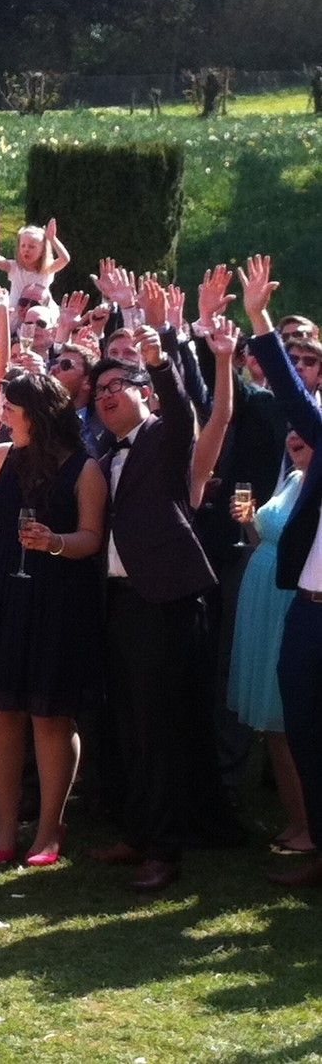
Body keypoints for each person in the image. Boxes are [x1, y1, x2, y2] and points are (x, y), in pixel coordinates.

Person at [0, 371, 106, 866]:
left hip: (58, 596)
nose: (4, 413)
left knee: (51, 715)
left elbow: (92, 538)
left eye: (11, 407)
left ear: (39, 411)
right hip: (1, 589)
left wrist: (54, 542)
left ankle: (50, 827)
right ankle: (6, 823)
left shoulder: (84, 468)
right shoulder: (4, 456)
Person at [85, 324, 220, 893]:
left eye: (119, 383)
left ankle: (165, 851)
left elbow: (185, 407)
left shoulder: (164, 437)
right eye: (99, 390)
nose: (107, 393)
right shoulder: (103, 454)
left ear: (145, 393)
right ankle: (138, 833)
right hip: (116, 601)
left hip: (162, 601)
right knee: (129, 725)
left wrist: (161, 359)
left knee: (160, 728)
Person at [242, 254, 322, 887]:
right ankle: (316, 845)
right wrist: (258, 318)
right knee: (301, 728)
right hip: (308, 607)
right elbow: (294, 398)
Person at [228, 430, 314, 853]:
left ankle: (310, 827)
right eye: (292, 429)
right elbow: (266, 538)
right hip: (263, 599)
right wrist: (249, 521)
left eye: (306, 428)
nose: (293, 436)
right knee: (274, 729)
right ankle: (298, 820)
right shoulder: (294, 478)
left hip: (289, 602)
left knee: (292, 722)